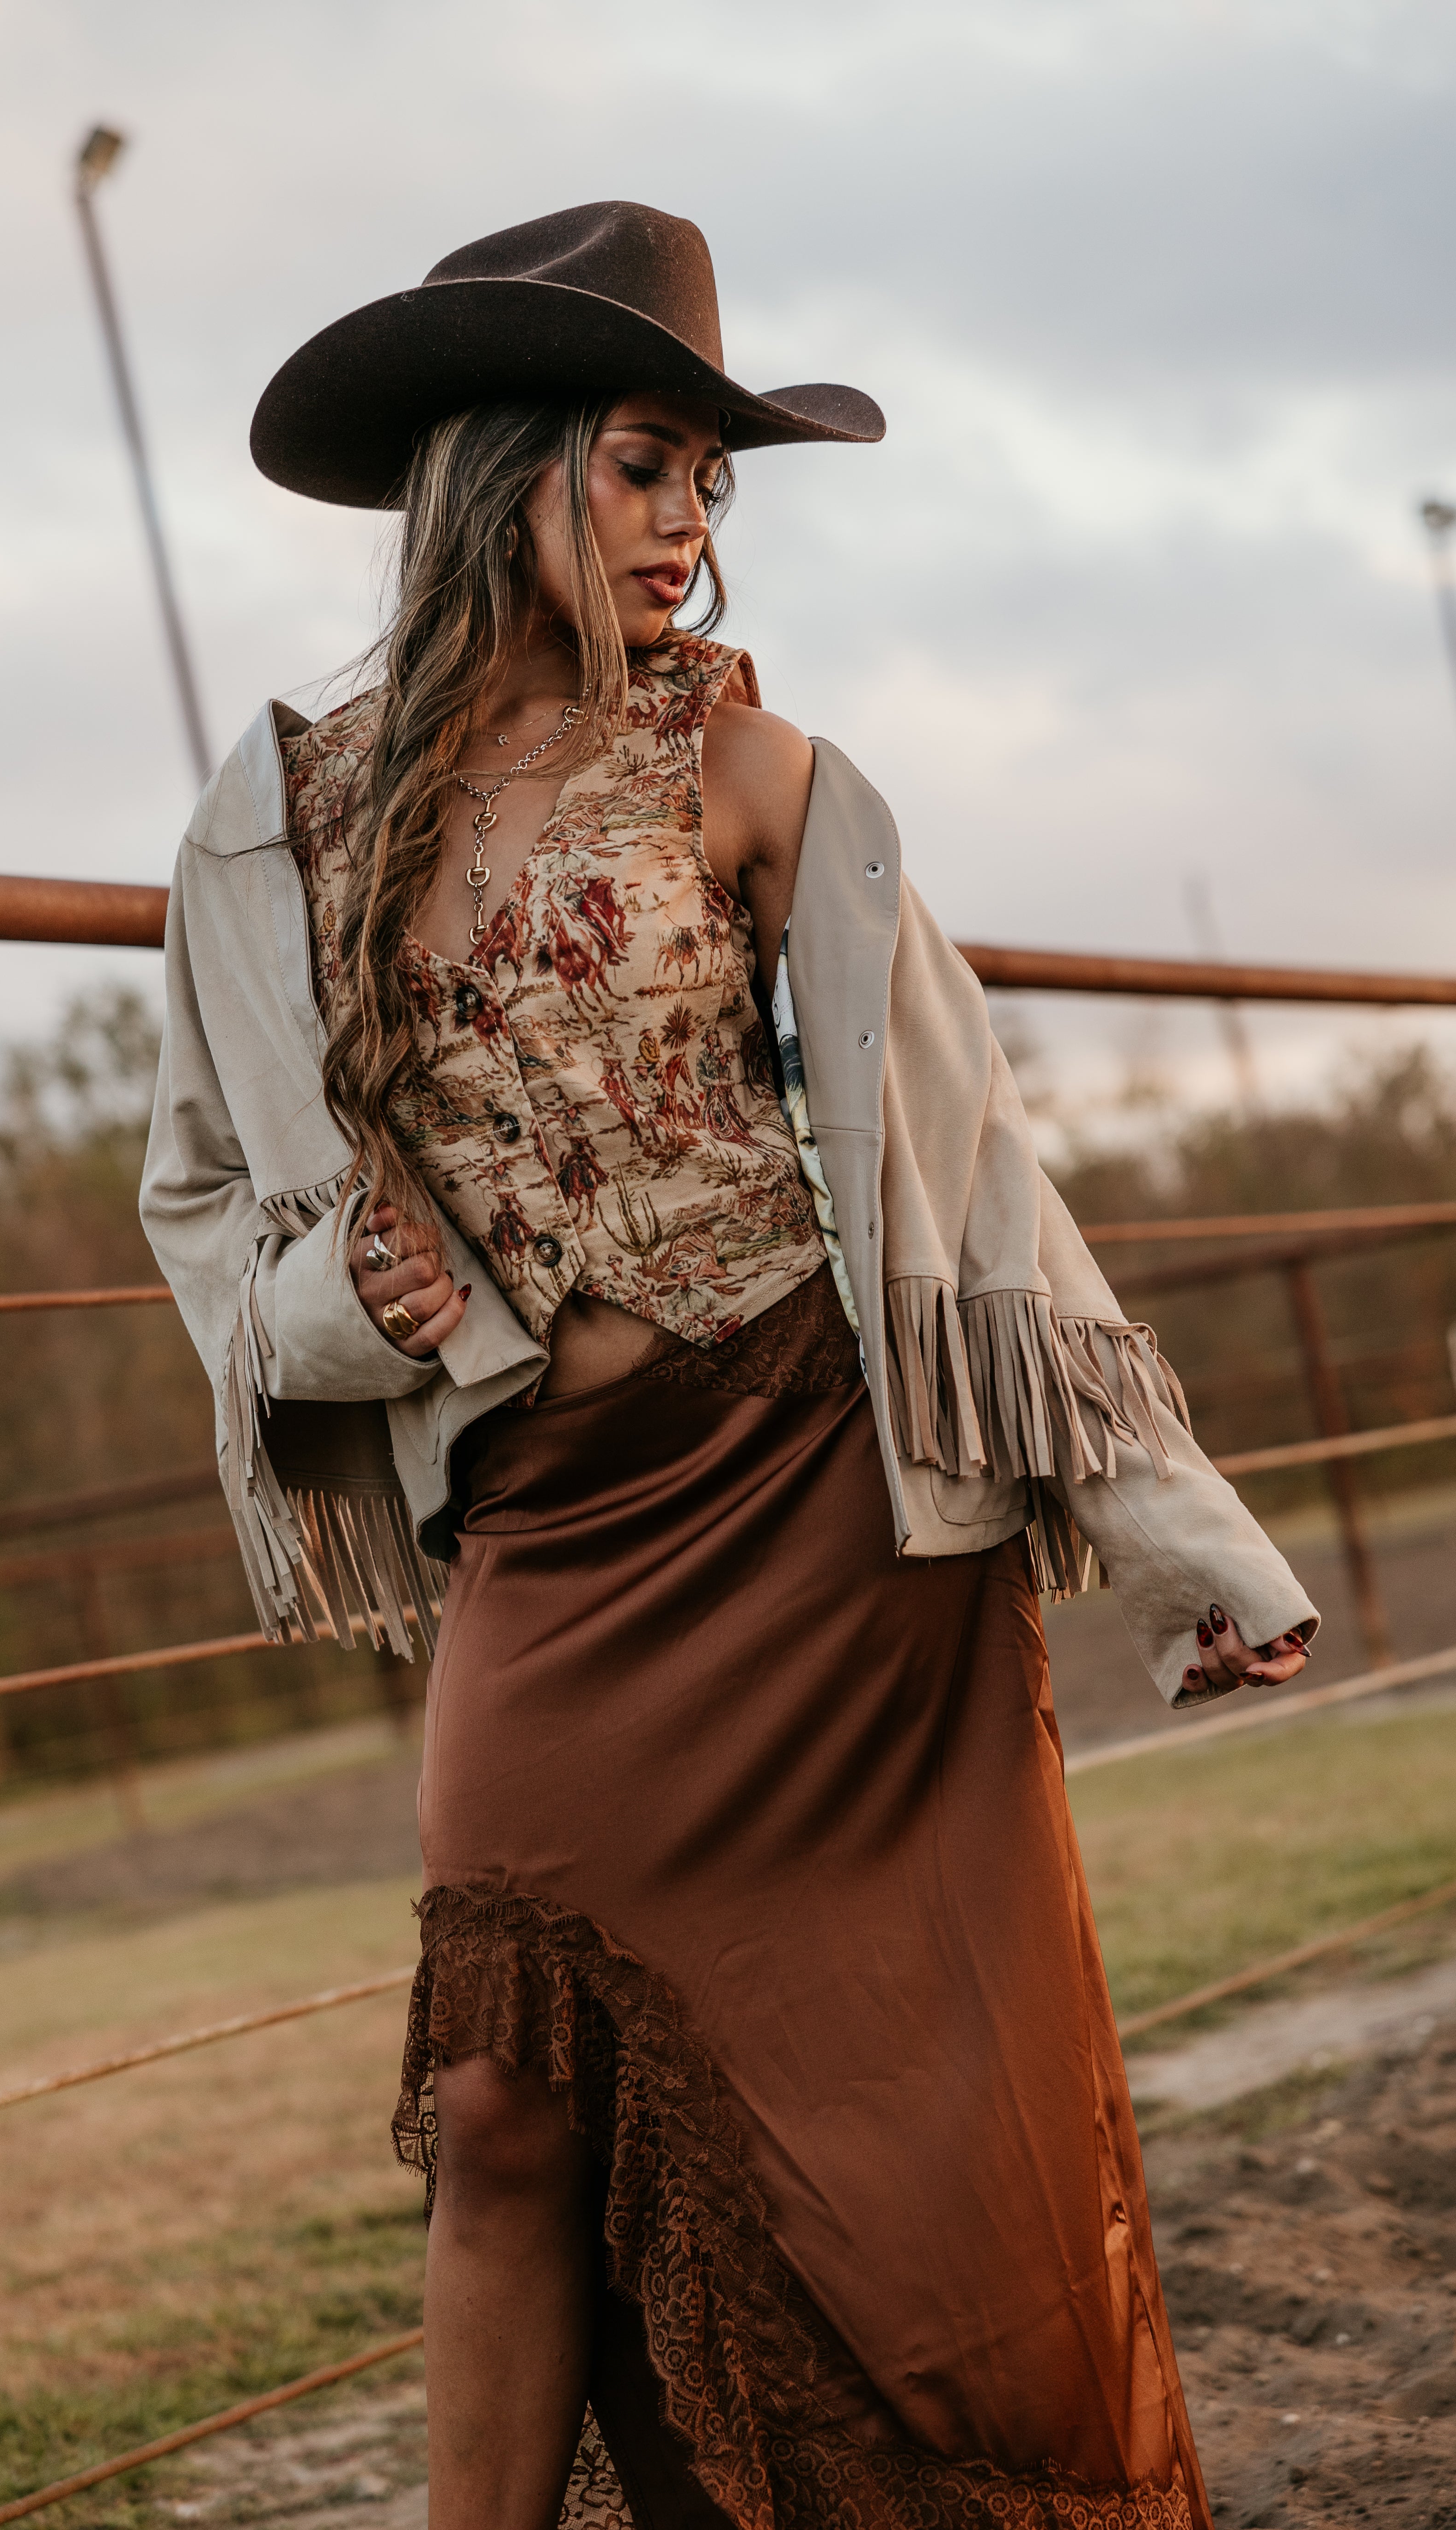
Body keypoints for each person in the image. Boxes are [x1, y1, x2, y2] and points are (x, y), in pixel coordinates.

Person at [142, 201, 1318, 2530]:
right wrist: (318, 1307)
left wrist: (1194, 1538)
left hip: (828, 1514)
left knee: (912, 2137)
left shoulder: (764, 777)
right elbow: (200, 1200)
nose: (692, 525)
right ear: (505, 470)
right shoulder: (269, 829)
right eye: (649, 465)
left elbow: (979, 1193)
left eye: (712, 481)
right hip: (554, 1552)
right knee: (501, 2098)